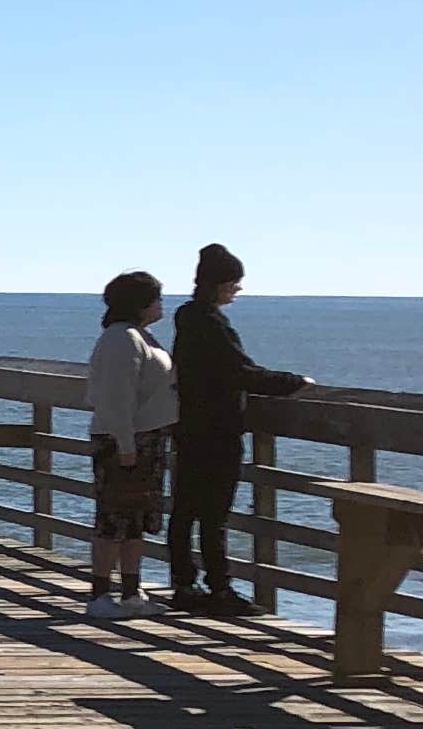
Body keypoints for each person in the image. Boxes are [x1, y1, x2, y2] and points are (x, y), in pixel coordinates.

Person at [165, 242, 308, 617]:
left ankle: (183, 583)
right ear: (219, 284)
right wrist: (293, 381)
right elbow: (241, 372)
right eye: (233, 283)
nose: (237, 289)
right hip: (217, 430)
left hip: (187, 426)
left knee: (185, 509)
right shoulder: (211, 323)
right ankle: (219, 588)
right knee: (214, 513)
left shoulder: (187, 318)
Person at [82, 270, 176, 621]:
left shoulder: (140, 336)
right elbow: (115, 397)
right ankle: (99, 595)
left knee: (136, 521)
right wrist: (125, 445)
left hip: (148, 438)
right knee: (113, 519)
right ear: (140, 303)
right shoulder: (121, 339)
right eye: (156, 298)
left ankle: (132, 592)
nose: (161, 304)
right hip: (123, 441)